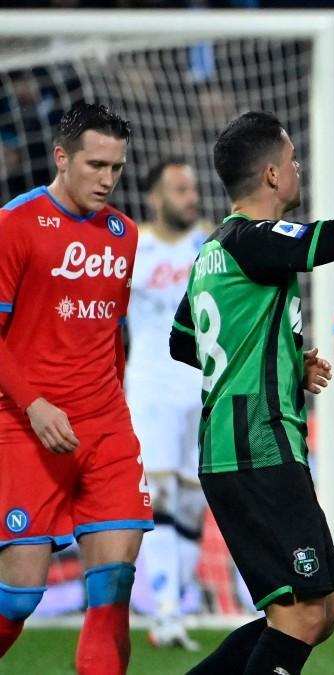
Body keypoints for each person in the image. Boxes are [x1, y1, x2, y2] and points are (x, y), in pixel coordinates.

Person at [169, 81, 334, 675]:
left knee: (314, 612)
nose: (296, 172)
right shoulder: (253, 239)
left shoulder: (212, 250)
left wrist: (283, 359)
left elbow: (183, 342)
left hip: (235, 450)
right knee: (304, 618)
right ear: (270, 176)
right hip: (258, 448)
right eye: (291, 161)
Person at [0, 102, 151, 673]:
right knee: (19, 595)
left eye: (116, 167)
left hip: (106, 429)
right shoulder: (15, 225)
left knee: (112, 589)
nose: (107, 179)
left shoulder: (124, 234)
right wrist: (33, 403)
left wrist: (117, 410)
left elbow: (112, 332)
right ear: (61, 157)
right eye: (95, 165)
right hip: (26, 425)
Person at [126, 158, 208, 651]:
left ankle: (178, 603)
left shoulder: (212, 247)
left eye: (193, 188)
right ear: (156, 197)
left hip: (202, 390)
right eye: (179, 189)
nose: (190, 197)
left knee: (195, 504)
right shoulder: (134, 248)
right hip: (152, 388)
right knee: (157, 497)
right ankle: (165, 611)